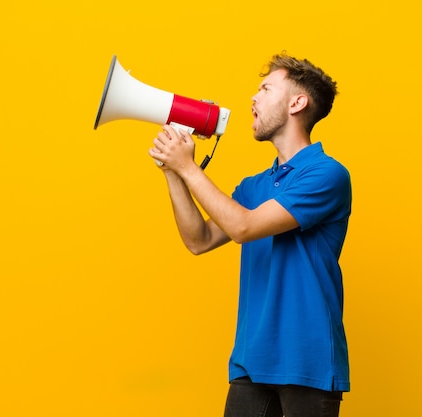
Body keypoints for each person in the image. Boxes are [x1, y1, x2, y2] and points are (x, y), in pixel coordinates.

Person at [148, 53, 351, 417]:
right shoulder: (254, 186)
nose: (253, 98)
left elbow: (243, 227)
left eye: (265, 88)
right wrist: (172, 172)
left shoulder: (326, 174)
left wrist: (189, 166)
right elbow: (199, 240)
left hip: (308, 362)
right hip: (251, 361)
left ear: (297, 102)